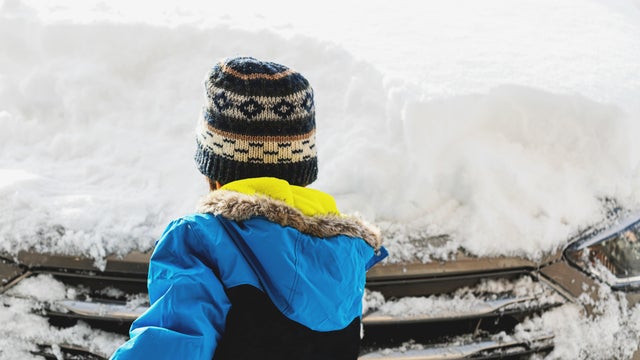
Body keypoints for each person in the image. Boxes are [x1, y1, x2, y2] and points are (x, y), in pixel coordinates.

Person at [110, 57, 387, 360]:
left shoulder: (202, 240)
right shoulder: (343, 256)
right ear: (302, 172)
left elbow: (171, 347)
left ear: (213, 172)